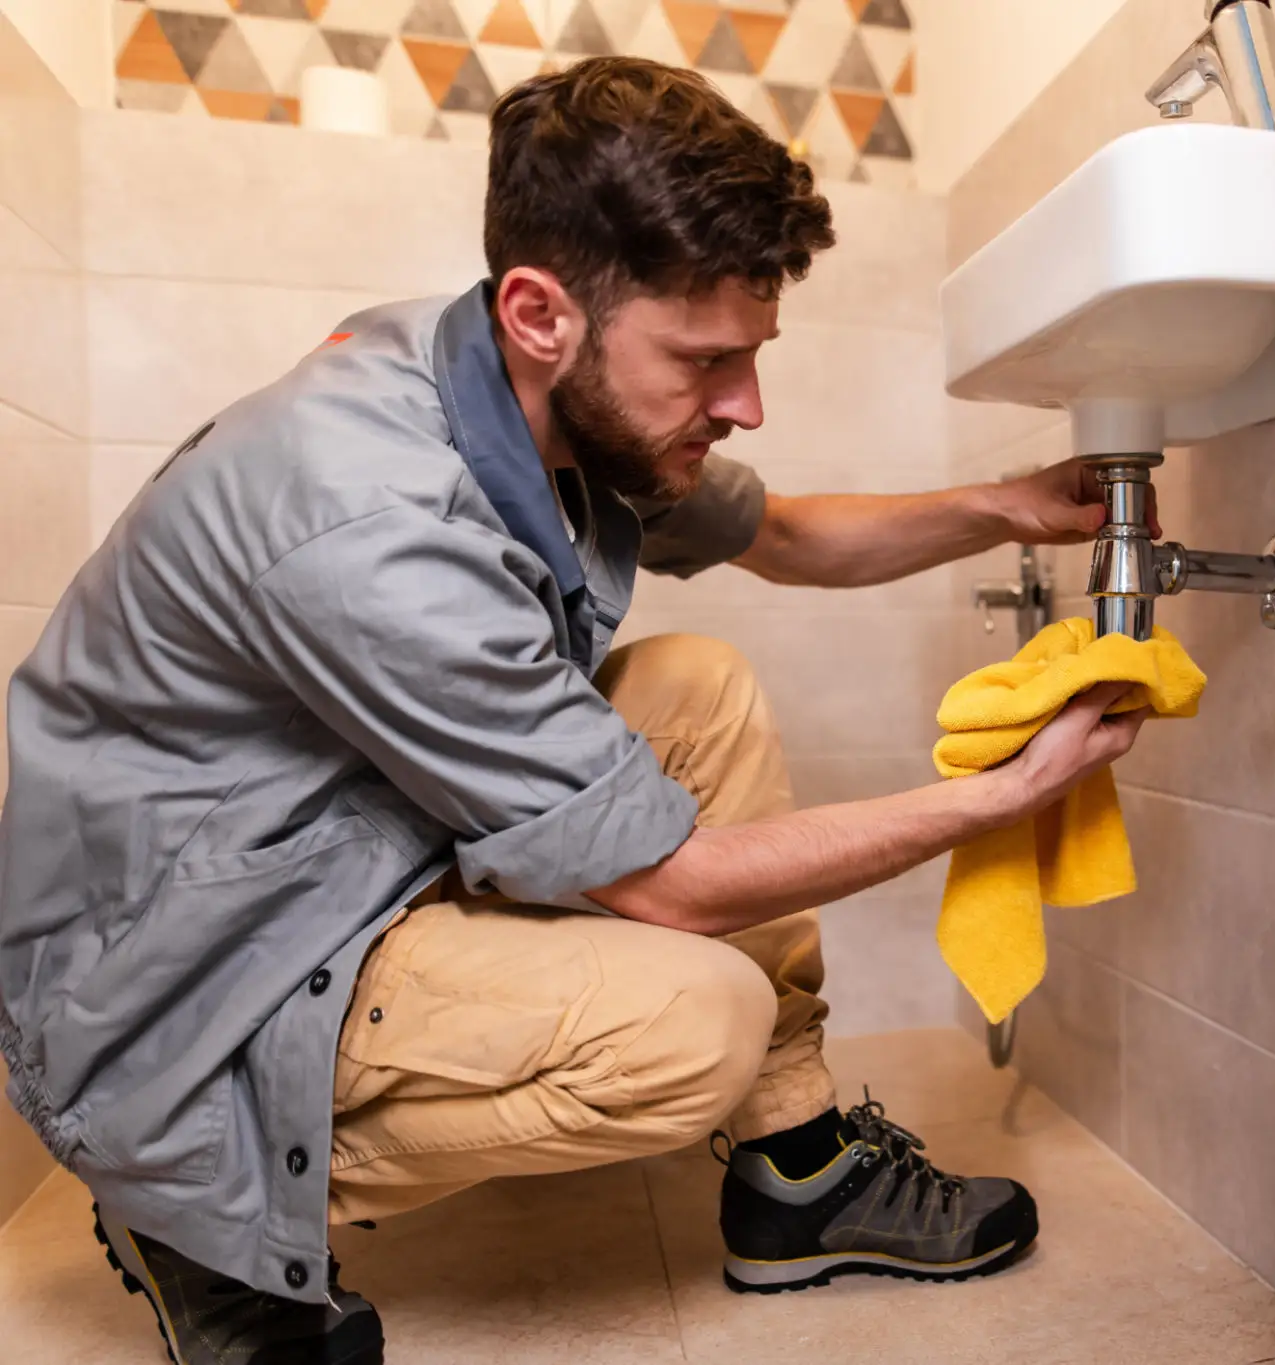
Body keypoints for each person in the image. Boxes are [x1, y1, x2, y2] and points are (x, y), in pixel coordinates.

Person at [0, 58, 1154, 1365]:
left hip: (337, 852)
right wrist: (1001, 795)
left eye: (751, 356)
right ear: (542, 310)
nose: (746, 404)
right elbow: (668, 885)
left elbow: (778, 533)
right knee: (692, 1021)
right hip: (187, 976)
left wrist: (1010, 504)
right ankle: (200, 1205)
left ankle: (797, 1177)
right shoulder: (368, 510)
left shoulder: (521, 381)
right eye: (708, 362)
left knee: (695, 685)